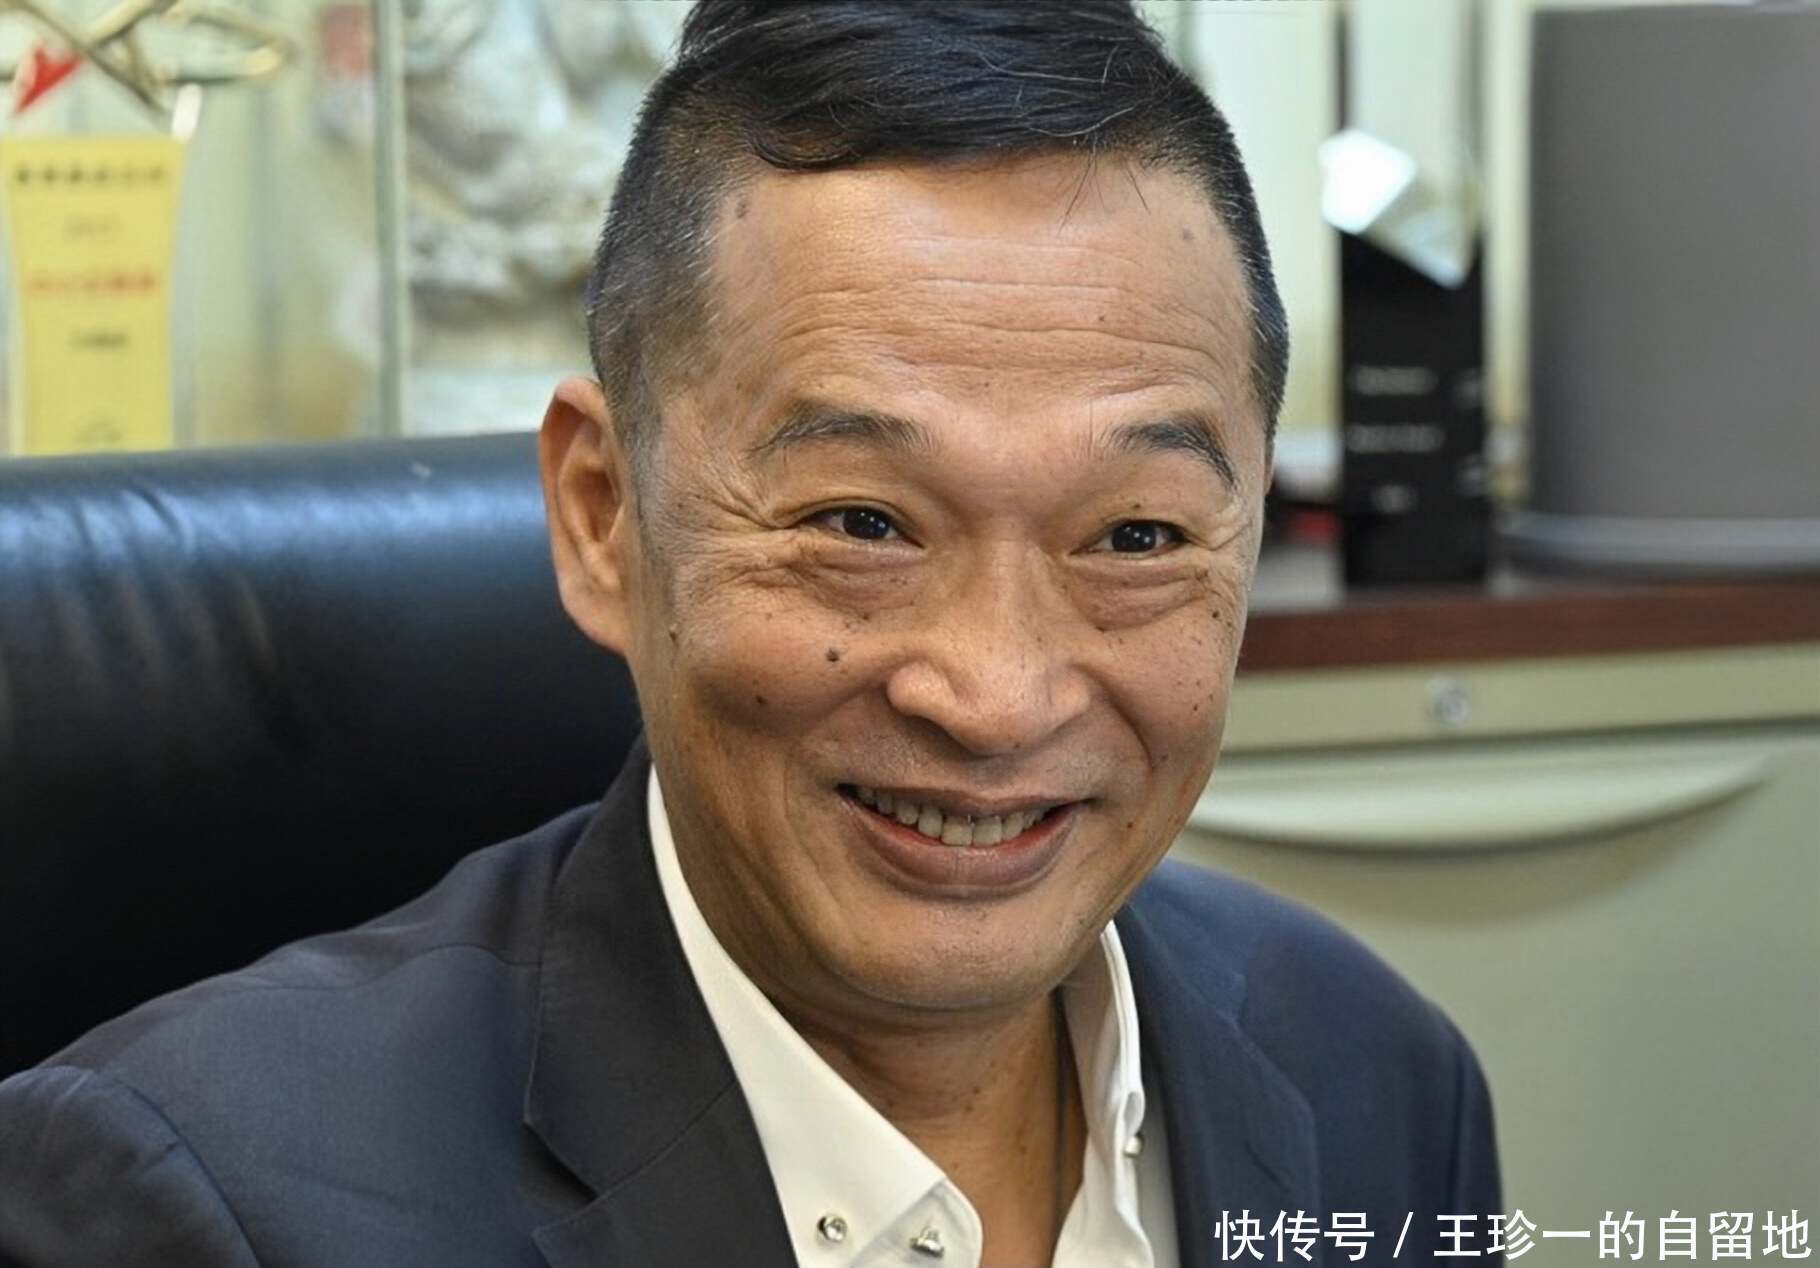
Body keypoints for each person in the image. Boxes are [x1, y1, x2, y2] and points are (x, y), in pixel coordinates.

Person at [0, 3, 1500, 1265]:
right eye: (862, 524)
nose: (996, 695)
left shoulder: (1377, 1079)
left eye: (1136, 538)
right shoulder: (197, 1206)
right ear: (603, 516)